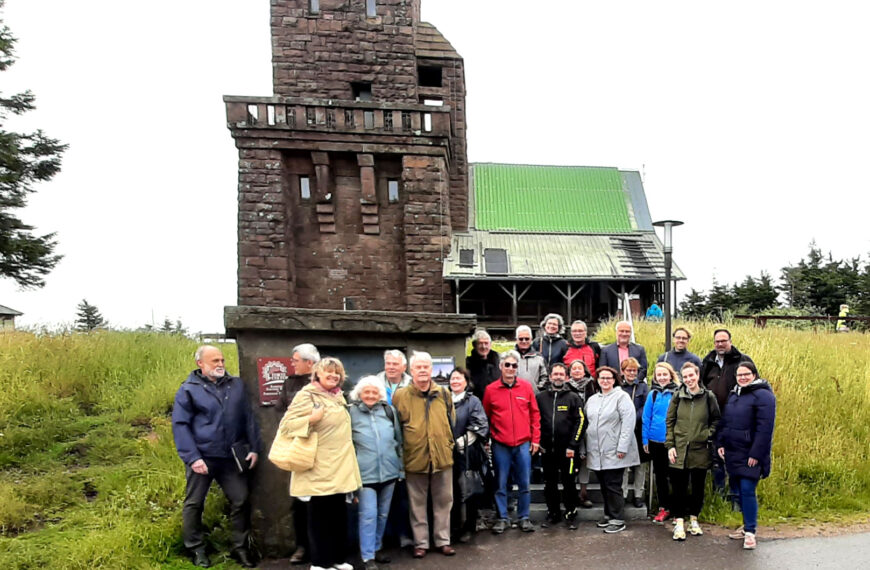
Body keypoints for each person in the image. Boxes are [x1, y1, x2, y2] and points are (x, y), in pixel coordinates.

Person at [172, 345, 260, 568]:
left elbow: (248, 418)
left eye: (222, 360)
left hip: (230, 457)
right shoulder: (188, 389)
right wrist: (193, 458)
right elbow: (180, 426)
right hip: (202, 456)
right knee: (194, 504)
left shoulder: (237, 385)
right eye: (214, 361)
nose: (220, 364)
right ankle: (196, 549)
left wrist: (254, 448)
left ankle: (239, 549)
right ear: (200, 364)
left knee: (241, 499)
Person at [280, 357, 361, 570]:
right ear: (318, 374)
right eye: (329, 372)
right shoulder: (307, 395)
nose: (333, 376)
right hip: (318, 467)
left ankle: (337, 559)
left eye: (337, 373)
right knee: (319, 518)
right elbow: (287, 426)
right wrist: (311, 420)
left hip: (339, 467)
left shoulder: (337, 397)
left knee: (338, 516)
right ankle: (320, 563)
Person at [392, 352, 456, 559]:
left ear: (431, 369)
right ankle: (421, 543)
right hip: (415, 457)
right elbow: (396, 427)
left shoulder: (444, 394)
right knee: (417, 504)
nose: (422, 370)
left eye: (426, 367)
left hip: (442, 457)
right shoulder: (401, 395)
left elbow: (451, 422)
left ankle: (443, 541)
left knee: (444, 502)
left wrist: (447, 444)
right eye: (418, 367)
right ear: (411, 370)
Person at [715, 361, 776, 551]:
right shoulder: (735, 394)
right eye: (739, 375)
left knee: (748, 489)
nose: (742, 377)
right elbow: (725, 422)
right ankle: (746, 525)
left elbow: (765, 429)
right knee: (738, 491)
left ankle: (750, 532)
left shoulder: (764, 396)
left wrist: (756, 454)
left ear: (754, 374)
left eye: (746, 374)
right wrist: (721, 443)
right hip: (733, 451)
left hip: (751, 453)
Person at [348, 376, 404, 570]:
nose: (371, 395)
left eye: (374, 392)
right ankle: (367, 556)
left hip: (389, 472)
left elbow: (399, 440)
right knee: (368, 515)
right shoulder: (351, 412)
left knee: (382, 514)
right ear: (359, 394)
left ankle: (377, 547)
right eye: (367, 392)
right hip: (365, 474)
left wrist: (401, 468)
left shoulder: (389, 411)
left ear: (380, 394)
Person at [483, 350, 541, 534]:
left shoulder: (525, 387)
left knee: (524, 483)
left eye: (514, 365)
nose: (510, 368)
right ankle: (503, 518)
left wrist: (536, 440)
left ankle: (524, 517)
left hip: (523, 443)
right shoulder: (491, 390)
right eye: (506, 365)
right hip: (501, 444)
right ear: (501, 367)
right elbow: (486, 416)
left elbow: (535, 415)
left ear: (517, 368)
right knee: (500, 483)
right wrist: (488, 439)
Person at [666, 362, 720, 541]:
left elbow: (716, 420)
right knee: (679, 487)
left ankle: (694, 519)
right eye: (685, 376)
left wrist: (706, 434)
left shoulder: (708, 397)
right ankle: (680, 522)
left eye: (692, 375)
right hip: (679, 449)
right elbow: (670, 422)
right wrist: (670, 445)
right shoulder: (677, 396)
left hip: (700, 450)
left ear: (698, 376)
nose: (689, 379)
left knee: (697, 487)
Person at [582, 366, 639, 534]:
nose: (605, 381)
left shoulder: (621, 397)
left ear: (614, 380)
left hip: (614, 449)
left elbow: (628, 422)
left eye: (609, 378)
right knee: (603, 484)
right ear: (597, 380)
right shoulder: (592, 399)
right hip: (596, 450)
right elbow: (586, 424)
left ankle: (617, 518)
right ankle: (608, 514)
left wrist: (622, 447)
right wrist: (584, 448)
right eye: (602, 378)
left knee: (613, 484)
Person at [276, 343, 319, 565]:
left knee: (322, 503)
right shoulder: (289, 384)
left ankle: (322, 549)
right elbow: (283, 415)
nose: (292, 364)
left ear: (309, 363)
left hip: (321, 451)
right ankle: (302, 547)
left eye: (295, 360)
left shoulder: (324, 383)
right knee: (299, 503)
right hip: (298, 450)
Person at [699, 328, 754, 494]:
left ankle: (736, 495)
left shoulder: (742, 360)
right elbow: (701, 384)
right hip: (714, 417)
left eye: (723, 341)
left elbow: (751, 385)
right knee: (716, 457)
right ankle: (719, 494)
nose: (720, 344)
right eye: (717, 341)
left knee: (736, 456)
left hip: (736, 416)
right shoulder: (708, 361)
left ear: (730, 341)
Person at [536, 362, 585, 530]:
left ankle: (571, 513)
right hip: (547, 449)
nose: (558, 377)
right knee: (550, 483)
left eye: (561, 374)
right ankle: (553, 513)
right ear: (550, 377)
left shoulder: (573, 397)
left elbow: (581, 421)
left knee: (569, 482)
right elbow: (535, 421)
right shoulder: (541, 397)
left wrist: (573, 445)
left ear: (566, 377)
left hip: (568, 451)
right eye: (555, 374)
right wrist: (539, 442)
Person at [447, 367, 489, 543]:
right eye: (452, 378)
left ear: (466, 381)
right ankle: (454, 527)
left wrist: (463, 441)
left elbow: (481, 424)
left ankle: (469, 527)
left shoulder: (473, 401)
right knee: (452, 492)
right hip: (447, 453)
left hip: (467, 453)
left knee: (469, 490)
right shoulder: (444, 400)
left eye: (459, 378)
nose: (455, 381)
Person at [642, 362, 679, 525]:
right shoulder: (653, 394)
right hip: (655, 441)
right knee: (661, 477)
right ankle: (664, 507)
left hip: (673, 442)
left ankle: (678, 509)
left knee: (676, 477)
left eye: (665, 374)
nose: (662, 377)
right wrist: (645, 439)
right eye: (659, 375)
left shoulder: (678, 393)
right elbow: (646, 417)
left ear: (671, 375)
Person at [567, 359, 597, 508]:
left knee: (585, 460)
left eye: (580, 368)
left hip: (589, 426)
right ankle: (571, 492)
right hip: (571, 427)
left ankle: (583, 493)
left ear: (585, 370)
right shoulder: (565, 386)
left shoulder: (592, 384)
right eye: (574, 369)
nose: (577, 371)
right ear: (570, 372)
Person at [620, 357, 649, 508]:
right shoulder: (618, 387)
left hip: (639, 429)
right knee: (624, 464)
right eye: (629, 370)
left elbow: (646, 406)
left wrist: (632, 417)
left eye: (634, 370)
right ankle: (623, 494)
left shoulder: (643, 387)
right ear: (622, 371)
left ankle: (638, 494)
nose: (632, 373)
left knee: (640, 465)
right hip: (622, 431)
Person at [466, 329, 500, 401]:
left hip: (496, 401)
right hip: (477, 402)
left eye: (486, 343)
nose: (483, 347)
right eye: (480, 343)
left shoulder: (498, 361)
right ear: (474, 345)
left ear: (490, 345)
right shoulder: (469, 363)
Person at [514, 325, 547, 391]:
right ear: (516, 340)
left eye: (527, 339)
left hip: (534, 396)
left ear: (531, 340)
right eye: (521, 339)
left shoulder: (539, 358)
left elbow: (545, 377)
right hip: (514, 396)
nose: (524, 341)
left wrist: (537, 389)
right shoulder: (510, 357)